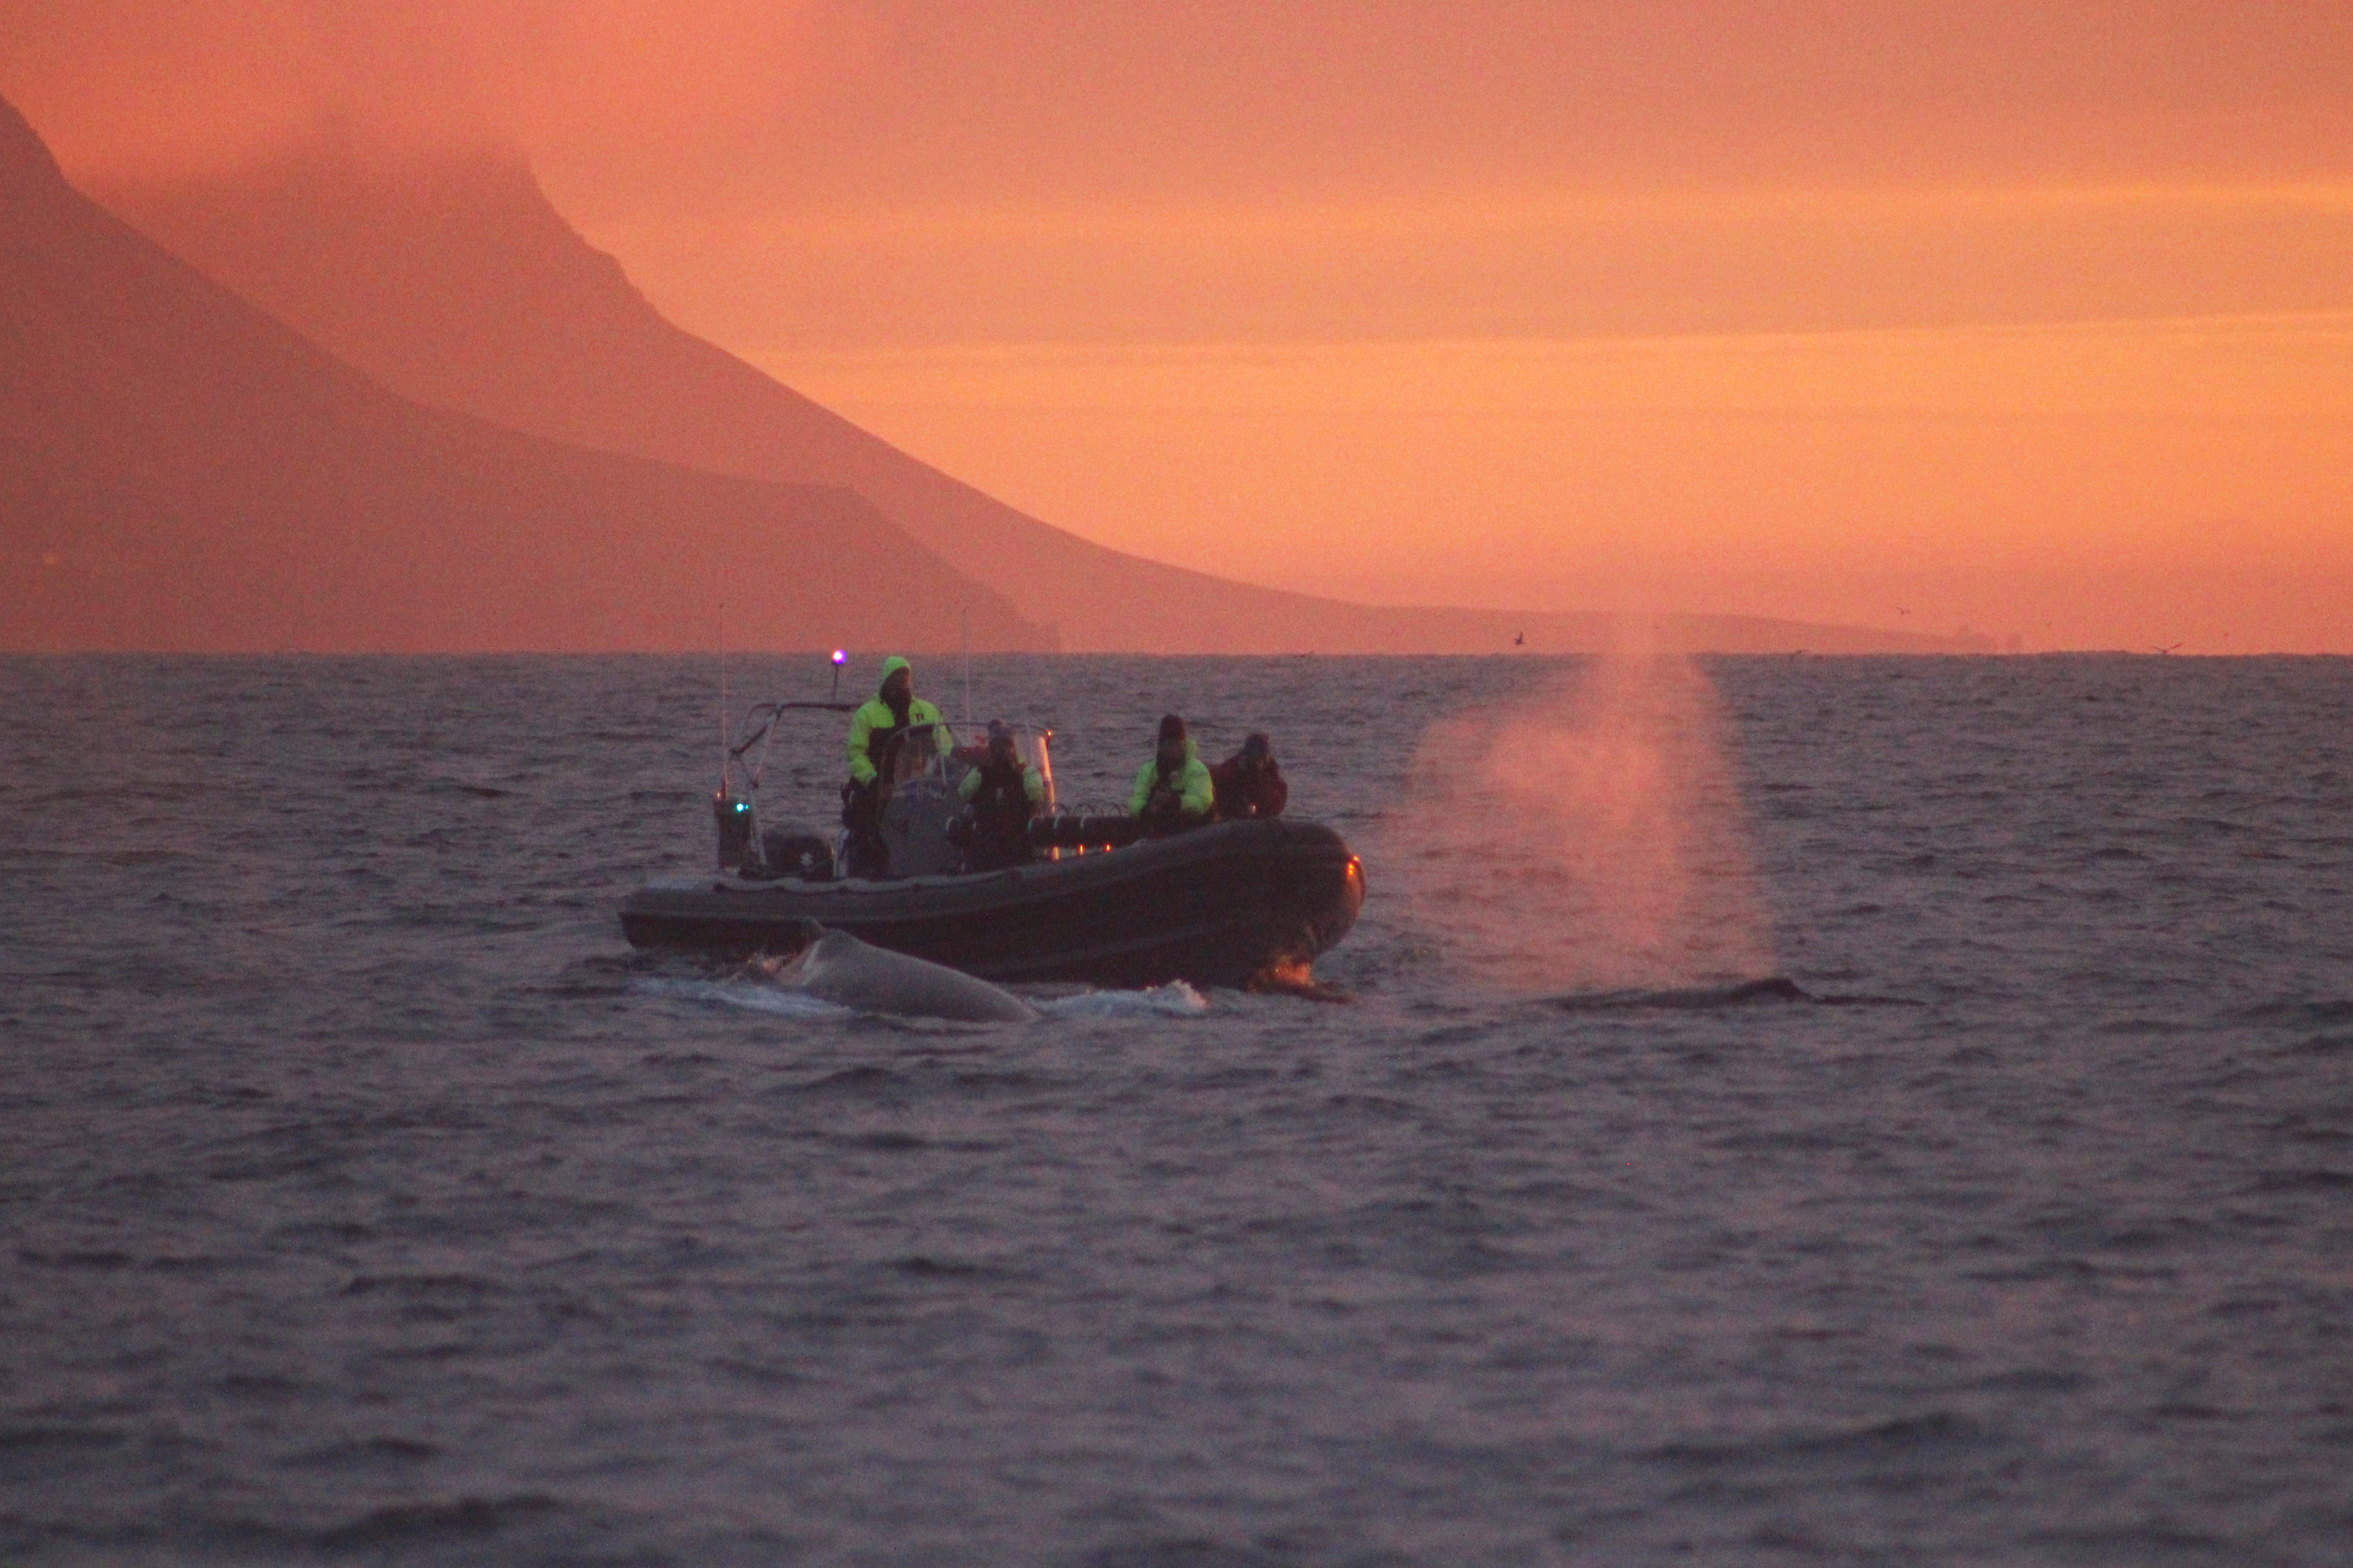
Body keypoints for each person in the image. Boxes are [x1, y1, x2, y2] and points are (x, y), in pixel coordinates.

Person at [840, 656, 954, 876]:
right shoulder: (867, 714)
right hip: (878, 785)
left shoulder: (928, 711)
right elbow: (856, 755)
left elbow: (946, 748)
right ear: (886, 681)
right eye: (896, 678)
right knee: (868, 819)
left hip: (918, 785)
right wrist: (875, 781)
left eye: (905, 678)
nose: (902, 683)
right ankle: (872, 866)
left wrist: (952, 768)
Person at [952, 721, 1047, 871]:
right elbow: (1037, 795)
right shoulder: (1027, 772)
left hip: (991, 850)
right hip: (1015, 850)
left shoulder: (980, 773)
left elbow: (963, 793)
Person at [1129, 713, 1213, 834]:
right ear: (1161, 746)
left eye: (1178, 743)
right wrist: (1147, 810)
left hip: (1192, 830)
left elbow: (1202, 803)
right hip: (1158, 828)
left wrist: (1174, 801)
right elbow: (1135, 801)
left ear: (1184, 744)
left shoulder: (1197, 770)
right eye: (1169, 743)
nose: (1173, 749)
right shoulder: (1148, 771)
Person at [1210, 731, 1288, 820]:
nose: (1257, 761)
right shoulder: (1230, 768)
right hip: (1231, 818)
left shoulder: (1272, 775)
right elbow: (1213, 782)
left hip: (1261, 820)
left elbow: (1276, 805)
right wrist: (1239, 774)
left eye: (1262, 756)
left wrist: (1259, 777)